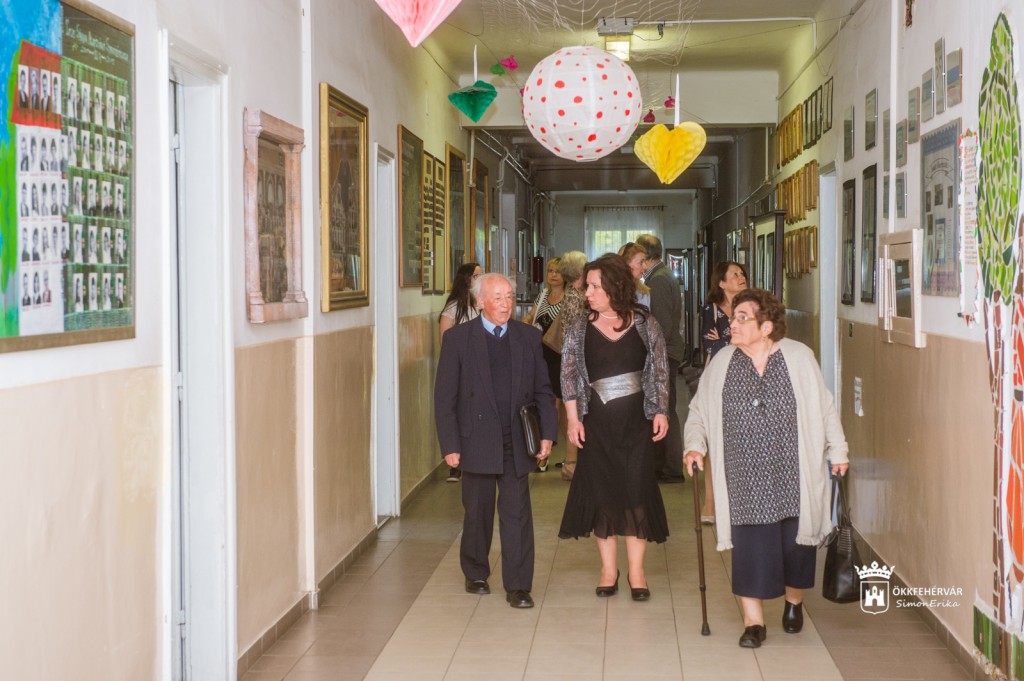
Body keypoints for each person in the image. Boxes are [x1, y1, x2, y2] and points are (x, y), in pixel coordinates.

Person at [683, 288, 849, 649]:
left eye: (743, 318)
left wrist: (838, 450)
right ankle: (753, 622)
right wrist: (695, 445)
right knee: (750, 548)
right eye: (733, 316)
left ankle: (793, 602)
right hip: (743, 475)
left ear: (767, 327)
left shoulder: (799, 357)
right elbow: (698, 411)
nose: (733, 323)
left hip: (794, 472)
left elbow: (824, 408)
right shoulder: (723, 362)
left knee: (795, 545)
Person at [434, 273, 557, 609]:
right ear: (481, 302)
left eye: (509, 297)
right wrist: (450, 445)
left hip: (516, 437)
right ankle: (475, 571)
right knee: (478, 510)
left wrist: (547, 434)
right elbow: (444, 398)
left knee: (517, 513)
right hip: (475, 439)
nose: (506, 304)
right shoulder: (459, 339)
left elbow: (543, 390)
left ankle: (518, 585)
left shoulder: (528, 337)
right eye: (498, 298)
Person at [558, 254, 670, 601]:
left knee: (636, 492)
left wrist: (661, 410)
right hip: (596, 423)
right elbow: (568, 375)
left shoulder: (645, 323)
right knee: (603, 494)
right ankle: (609, 570)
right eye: (587, 286)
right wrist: (573, 419)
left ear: (614, 286)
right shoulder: (580, 327)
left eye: (594, 286)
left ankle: (637, 571)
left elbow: (660, 369)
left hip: (637, 424)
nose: (588, 292)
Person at [697, 261, 750, 524]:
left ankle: (739, 500)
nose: (741, 277)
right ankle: (710, 502)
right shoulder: (711, 310)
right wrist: (734, 341)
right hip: (718, 378)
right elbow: (710, 345)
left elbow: (754, 340)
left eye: (742, 273)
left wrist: (725, 339)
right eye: (735, 274)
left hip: (748, 378)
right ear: (721, 283)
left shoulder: (751, 307)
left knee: (741, 440)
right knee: (714, 439)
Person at [636, 234, 686, 481]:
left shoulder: (657, 280)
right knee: (663, 406)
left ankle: (670, 467)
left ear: (645, 256)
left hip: (665, 353)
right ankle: (663, 464)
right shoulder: (661, 275)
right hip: (667, 351)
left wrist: (653, 355)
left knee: (665, 408)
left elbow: (662, 325)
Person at [438, 262, 482, 482]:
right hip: (460, 371)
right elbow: (445, 342)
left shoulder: (480, 306)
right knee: (459, 413)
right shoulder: (453, 308)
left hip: (479, 370)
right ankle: (455, 463)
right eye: (477, 276)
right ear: (466, 279)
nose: (480, 279)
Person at [548, 250, 588, 480]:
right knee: (575, 413)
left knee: (573, 411)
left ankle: (572, 462)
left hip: (570, 360)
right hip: (574, 362)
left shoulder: (575, 294)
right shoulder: (574, 297)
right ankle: (571, 463)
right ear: (580, 271)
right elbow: (574, 334)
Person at [523, 257, 565, 472]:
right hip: (540, 353)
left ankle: (552, 449)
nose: (553, 275)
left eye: (558, 271)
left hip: (559, 355)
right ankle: (544, 449)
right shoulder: (543, 296)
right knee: (545, 401)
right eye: (550, 271)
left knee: (557, 403)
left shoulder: (569, 298)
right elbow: (531, 317)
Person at [619, 242, 652, 307]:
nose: (645, 267)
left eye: (644, 262)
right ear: (626, 264)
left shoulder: (643, 292)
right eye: (641, 262)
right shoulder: (613, 291)